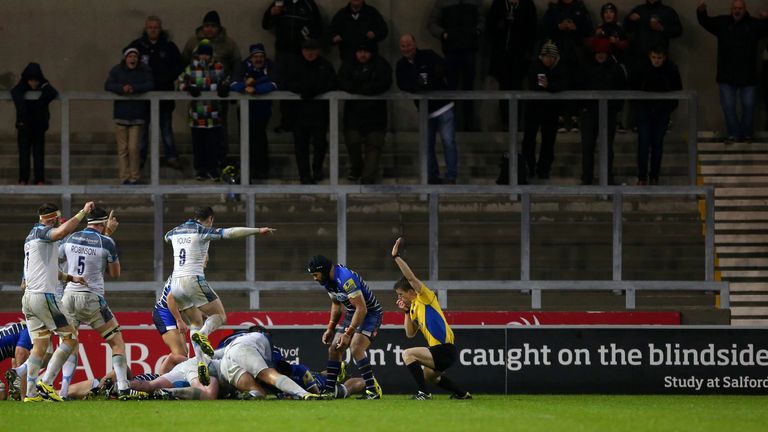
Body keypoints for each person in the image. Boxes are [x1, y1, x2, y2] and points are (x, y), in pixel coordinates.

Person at [164, 206, 275, 387]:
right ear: (210, 219)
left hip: (175, 284)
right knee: (220, 316)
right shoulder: (203, 231)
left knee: (195, 322)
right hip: (193, 279)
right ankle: (204, 336)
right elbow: (230, 233)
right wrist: (257, 231)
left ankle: (201, 361)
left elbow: (166, 237)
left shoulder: (175, 231)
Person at [58, 207, 135, 399]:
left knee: (69, 344)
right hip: (91, 299)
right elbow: (115, 273)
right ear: (103, 224)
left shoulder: (70, 238)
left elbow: (58, 260)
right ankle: (124, 387)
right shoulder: (107, 242)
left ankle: (62, 390)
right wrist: (109, 235)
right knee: (116, 342)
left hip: (67, 297)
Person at [21, 201, 94, 402]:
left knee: (40, 345)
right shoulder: (42, 232)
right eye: (56, 219)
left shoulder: (30, 238)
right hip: (45, 296)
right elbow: (60, 233)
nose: (57, 223)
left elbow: (47, 270)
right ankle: (47, 382)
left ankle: (30, 394)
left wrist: (71, 278)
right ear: (51, 219)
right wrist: (83, 213)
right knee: (70, 338)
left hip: (28, 298)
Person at [391, 238, 471, 400]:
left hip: (444, 349)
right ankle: (462, 394)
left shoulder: (424, 297)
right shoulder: (413, 307)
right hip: (441, 352)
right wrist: (406, 312)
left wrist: (396, 257)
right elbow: (410, 334)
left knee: (407, 354)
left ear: (411, 291)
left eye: (401, 294)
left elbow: (412, 278)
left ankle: (424, 393)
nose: (400, 298)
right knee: (429, 376)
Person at [308, 254, 383, 399]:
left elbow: (362, 309)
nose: (315, 278)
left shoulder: (345, 279)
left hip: (370, 313)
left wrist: (348, 334)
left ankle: (373, 391)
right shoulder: (327, 281)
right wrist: (330, 328)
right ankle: (329, 391)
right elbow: (336, 304)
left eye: (316, 274)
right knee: (334, 348)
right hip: (352, 312)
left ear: (323, 270)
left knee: (356, 347)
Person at [697, 0, 768, 144]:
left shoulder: (754, 25)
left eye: (740, 8)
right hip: (726, 75)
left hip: (748, 75)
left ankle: (747, 134)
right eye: (735, 8)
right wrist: (701, 11)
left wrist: (766, 19)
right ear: (731, 9)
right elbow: (705, 22)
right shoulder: (722, 23)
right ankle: (734, 134)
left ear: (744, 9)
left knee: (749, 107)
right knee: (728, 107)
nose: (737, 11)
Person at [182, 10, 241, 172]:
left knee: (220, 130)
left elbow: (237, 65)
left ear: (219, 28)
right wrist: (189, 85)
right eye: (206, 26)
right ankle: (202, 166)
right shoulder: (192, 42)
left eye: (213, 26)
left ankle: (221, 161)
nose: (209, 29)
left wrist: (230, 85)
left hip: (219, 95)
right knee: (200, 134)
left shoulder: (229, 44)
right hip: (198, 99)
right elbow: (184, 65)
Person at [396, 34, 458, 185]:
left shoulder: (429, 55)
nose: (406, 49)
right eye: (403, 46)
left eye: (409, 45)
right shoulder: (401, 65)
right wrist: (416, 87)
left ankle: (451, 176)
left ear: (415, 44)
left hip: (443, 107)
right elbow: (403, 84)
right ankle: (432, 176)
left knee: (448, 142)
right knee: (427, 145)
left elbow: (444, 69)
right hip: (425, 110)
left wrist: (435, 83)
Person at [130, 15, 184, 170]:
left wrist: (165, 79)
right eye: (150, 27)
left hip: (165, 95)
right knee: (143, 130)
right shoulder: (137, 46)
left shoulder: (169, 47)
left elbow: (178, 67)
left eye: (156, 27)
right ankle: (140, 158)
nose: (153, 30)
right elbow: (128, 58)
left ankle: (171, 156)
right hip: (144, 97)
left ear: (161, 29)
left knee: (166, 128)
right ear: (146, 29)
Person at [262, 0, 324, 133]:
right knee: (284, 87)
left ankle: (304, 123)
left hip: (302, 54)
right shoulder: (280, 3)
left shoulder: (308, 4)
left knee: (303, 86)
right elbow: (266, 25)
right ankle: (286, 123)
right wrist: (271, 14)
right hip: (283, 53)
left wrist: (309, 35)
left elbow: (319, 29)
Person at [283, 39, 337, 184]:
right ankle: (305, 176)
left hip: (319, 113)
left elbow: (331, 82)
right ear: (302, 51)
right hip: (299, 113)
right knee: (301, 146)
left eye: (313, 50)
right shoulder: (295, 65)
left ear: (318, 51)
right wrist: (303, 89)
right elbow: (287, 82)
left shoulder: (325, 65)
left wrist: (314, 90)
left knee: (320, 143)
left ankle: (317, 168)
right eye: (307, 50)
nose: (310, 53)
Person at [337, 41, 392, 184]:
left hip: (376, 115)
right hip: (353, 115)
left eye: (366, 52)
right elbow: (341, 81)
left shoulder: (381, 64)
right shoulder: (348, 64)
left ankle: (367, 176)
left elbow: (384, 83)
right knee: (352, 141)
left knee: (374, 145)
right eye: (359, 51)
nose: (362, 55)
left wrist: (359, 86)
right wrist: (363, 86)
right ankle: (357, 169)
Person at [217, 329, 324, 400]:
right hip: (241, 348)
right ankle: (304, 394)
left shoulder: (227, 340)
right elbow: (275, 366)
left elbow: (215, 353)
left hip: (225, 362)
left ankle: (242, 394)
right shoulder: (261, 336)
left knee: (259, 392)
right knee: (268, 374)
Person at [178, 40, 230, 181]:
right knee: (199, 145)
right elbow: (179, 83)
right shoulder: (191, 69)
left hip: (214, 115)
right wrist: (189, 88)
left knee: (213, 145)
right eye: (202, 54)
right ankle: (200, 170)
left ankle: (213, 169)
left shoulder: (219, 67)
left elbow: (227, 81)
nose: (204, 57)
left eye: (207, 55)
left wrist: (225, 87)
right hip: (197, 115)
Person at [578, 37, 626, 185]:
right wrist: (582, 108)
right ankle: (587, 178)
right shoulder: (586, 68)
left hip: (608, 114)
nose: (600, 55)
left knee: (606, 148)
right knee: (587, 147)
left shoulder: (616, 69)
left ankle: (607, 178)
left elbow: (621, 89)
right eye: (598, 52)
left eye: (603, 52)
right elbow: (579, 87)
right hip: (589, 113)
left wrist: (615, 109)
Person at [428, 0, 483, 130]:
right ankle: (451, 124)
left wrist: (477, 31)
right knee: (450, 89)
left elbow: (482, 19)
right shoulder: (443, 2)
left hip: (469, 50)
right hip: (451, 51)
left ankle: (468, 125)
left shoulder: (475, 2)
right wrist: (443, 34)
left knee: (468, 89)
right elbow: (431, 23)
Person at [631, 45, 682, 185]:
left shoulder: (671, 69)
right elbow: (633, 88)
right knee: (644, 143)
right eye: (654, 57)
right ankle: (642, 177)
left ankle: (654, 176)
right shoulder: (642, 68)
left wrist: (668, 108)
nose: (656, 61)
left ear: (664, 57)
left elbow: (677, 90)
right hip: (644, 111)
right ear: (649, 56)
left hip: (662, 111)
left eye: (659, 58)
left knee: (657, 144)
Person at [104, 47, 154, 185]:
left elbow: (150, 84)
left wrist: (134, 88)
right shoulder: (117, 70)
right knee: (123, 149)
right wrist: (122, 89)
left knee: (133, 148)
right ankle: (124, 177)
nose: (132, 59)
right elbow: (108, 85)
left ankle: (135, 177)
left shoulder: (144, 71)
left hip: (137, 115)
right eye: (130, 56)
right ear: (125, 58)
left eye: (135, 57)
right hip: (121, 114)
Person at [542, 0, 593, 133]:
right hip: (557, 54)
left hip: (576, 55)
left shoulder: (581, 10)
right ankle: (560, 118)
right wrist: (559, 27)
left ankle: (575, 118)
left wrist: (576, 28)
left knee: (576, 84)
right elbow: (543, 29)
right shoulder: (553, 9)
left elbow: (589, 30)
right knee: (558, 84)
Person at [485, 0, 537, 129]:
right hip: (501, 57)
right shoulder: (498, 4)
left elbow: (533, 30)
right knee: (503, 91)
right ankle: (506, 123)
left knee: (517, 89)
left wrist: (528, 51)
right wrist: (501, 25)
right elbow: (490, 29)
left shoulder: (527, 5)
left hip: (519, 57)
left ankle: (516, 124)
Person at [230, 43, 278, 182]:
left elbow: (274, 83)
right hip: (245, 110)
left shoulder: (271, 65)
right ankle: (247, 171)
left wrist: (255, 87)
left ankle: (261, 170)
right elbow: (233, 85)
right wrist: (245, 85)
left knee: (260, 139)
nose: (258, 59)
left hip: (263, 110)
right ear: (250, 57)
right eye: (255, 56)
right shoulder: (242, 65)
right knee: (245, 140)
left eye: (261, 56)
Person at [521, 40, 565, 181]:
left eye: (551, 57)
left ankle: (544, 169)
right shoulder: (535, 66)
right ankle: (529, 167)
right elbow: (535, 84)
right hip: (534, 109)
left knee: (548, 142)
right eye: (546, 56)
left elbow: (561, 84)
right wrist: (547, 86)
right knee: (529, 140)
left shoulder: (559, 69)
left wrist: (549, 85)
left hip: (551, 110)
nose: (548, 60)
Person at [11, 63, 58, 185]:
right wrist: (23, 111)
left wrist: (39, 103)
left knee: (38, 154)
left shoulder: (43, 84)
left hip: (38, 126)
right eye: (31, 81)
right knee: (24, 154)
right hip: (24, 126)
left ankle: (39, 179)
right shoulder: (22, 85)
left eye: (35, 81)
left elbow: (52, 92)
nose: (34, 84)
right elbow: (15, 92)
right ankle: (23, 179)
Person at [623, 0, 682, 73]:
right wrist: (630, 19)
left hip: (659, 59)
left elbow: (678, 31)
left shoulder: (668, 11)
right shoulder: (639, 10)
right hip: (639, 58)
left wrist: (662, 28)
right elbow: (627, 29)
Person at [152, 277, 189, 373]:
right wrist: (179, 320)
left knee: (183, 353)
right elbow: (170, 299)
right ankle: (161, 383)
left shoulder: (187, 271)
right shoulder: (184, 274)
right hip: (164, 313)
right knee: (179, 354)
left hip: (172, 312)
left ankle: (166, 381)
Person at [2, 321, 33, 400]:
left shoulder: (22, 330)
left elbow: (15, 363)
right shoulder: (28, 333)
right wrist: (24, 397)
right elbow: (21, 353)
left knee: (2, 393)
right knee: (1, 394)